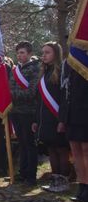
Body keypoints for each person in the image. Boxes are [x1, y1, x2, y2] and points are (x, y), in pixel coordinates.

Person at [33, 42, 70, 192]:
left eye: (47, 52)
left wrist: (62, 120)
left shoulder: (61, 71)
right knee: (51, 149)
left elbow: (65, 98)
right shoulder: (44, 72)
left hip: (57, 117)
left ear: (56, 54)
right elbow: (39, 100)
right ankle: (55, 180)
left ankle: (63, 181)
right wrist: (36, 120)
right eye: (43, 52)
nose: (44, 55)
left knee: (61, 150)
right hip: (45, 119)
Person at [9, 41, 40, 185]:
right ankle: (22, 172)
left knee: (29, 144)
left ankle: (31, 176)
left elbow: (31, 92)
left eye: (22, 53)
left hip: (28, 111)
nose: (19, 55)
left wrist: (10, 95)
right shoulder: (15, 69)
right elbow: (10, 85)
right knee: (21, 143)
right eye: (18, 53)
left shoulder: (35, 69)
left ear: (29, 54)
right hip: (16, 111)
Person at [61, 58, 88, 202]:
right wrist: (63, 118)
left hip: (85, 114)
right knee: (76, 153)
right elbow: (65, 93)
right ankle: (82, 186)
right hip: (72, 115)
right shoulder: (69, 64)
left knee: (86, 151)